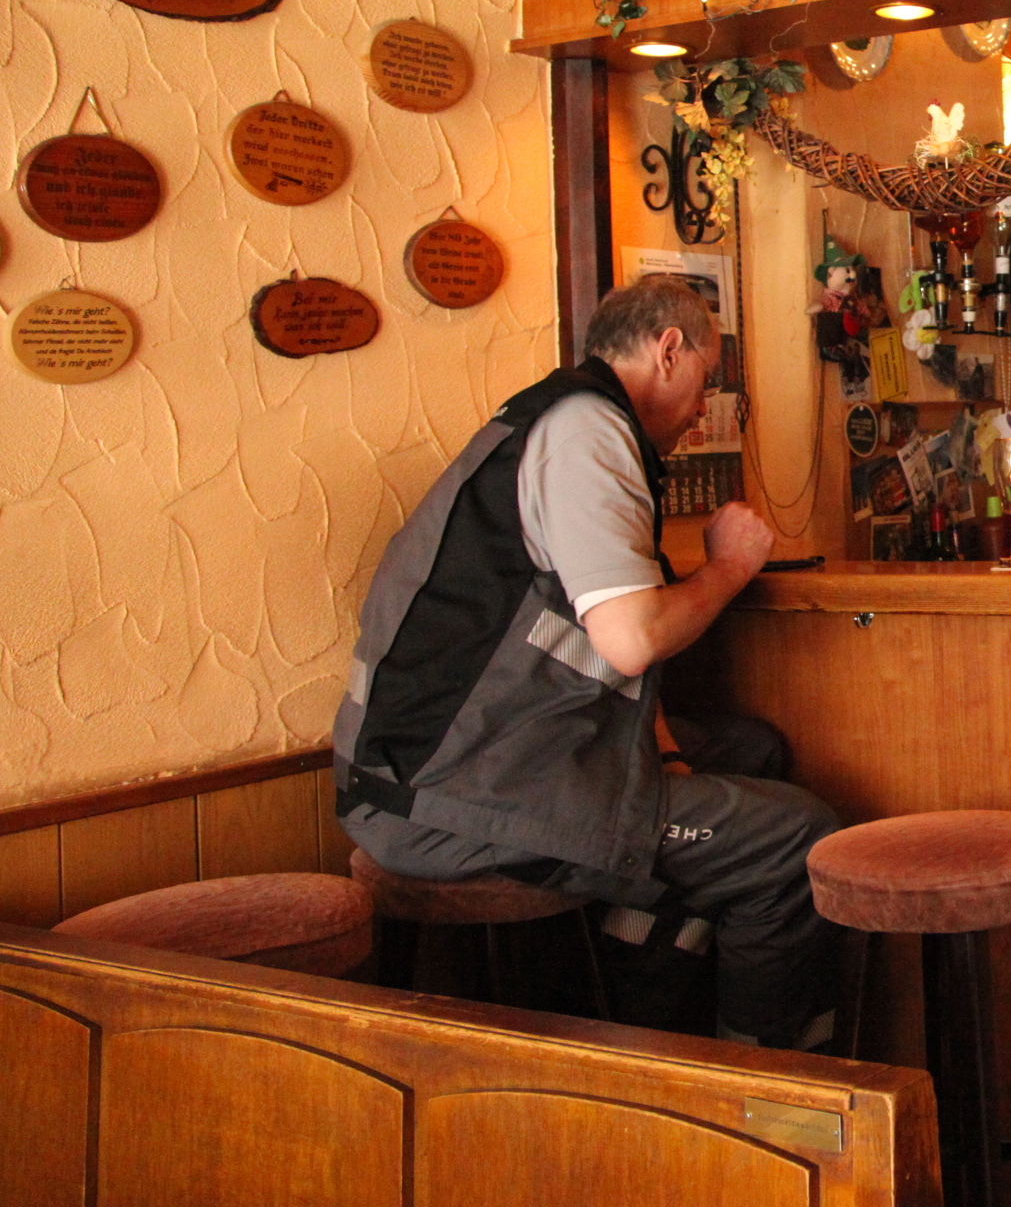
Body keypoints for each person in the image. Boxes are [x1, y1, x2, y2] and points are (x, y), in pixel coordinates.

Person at [335, 275, 838, 1046]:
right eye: (707, 380)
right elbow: (632, 639)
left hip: (448, 762)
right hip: (449, 797)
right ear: (668, 351)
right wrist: (730, 568)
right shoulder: (589, 434)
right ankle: (763, 1090)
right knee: (795, 838)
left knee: (751, 750)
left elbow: (608, 656)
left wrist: (665, 755)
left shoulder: (557, 417)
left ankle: (642, 1019)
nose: (704, 407)